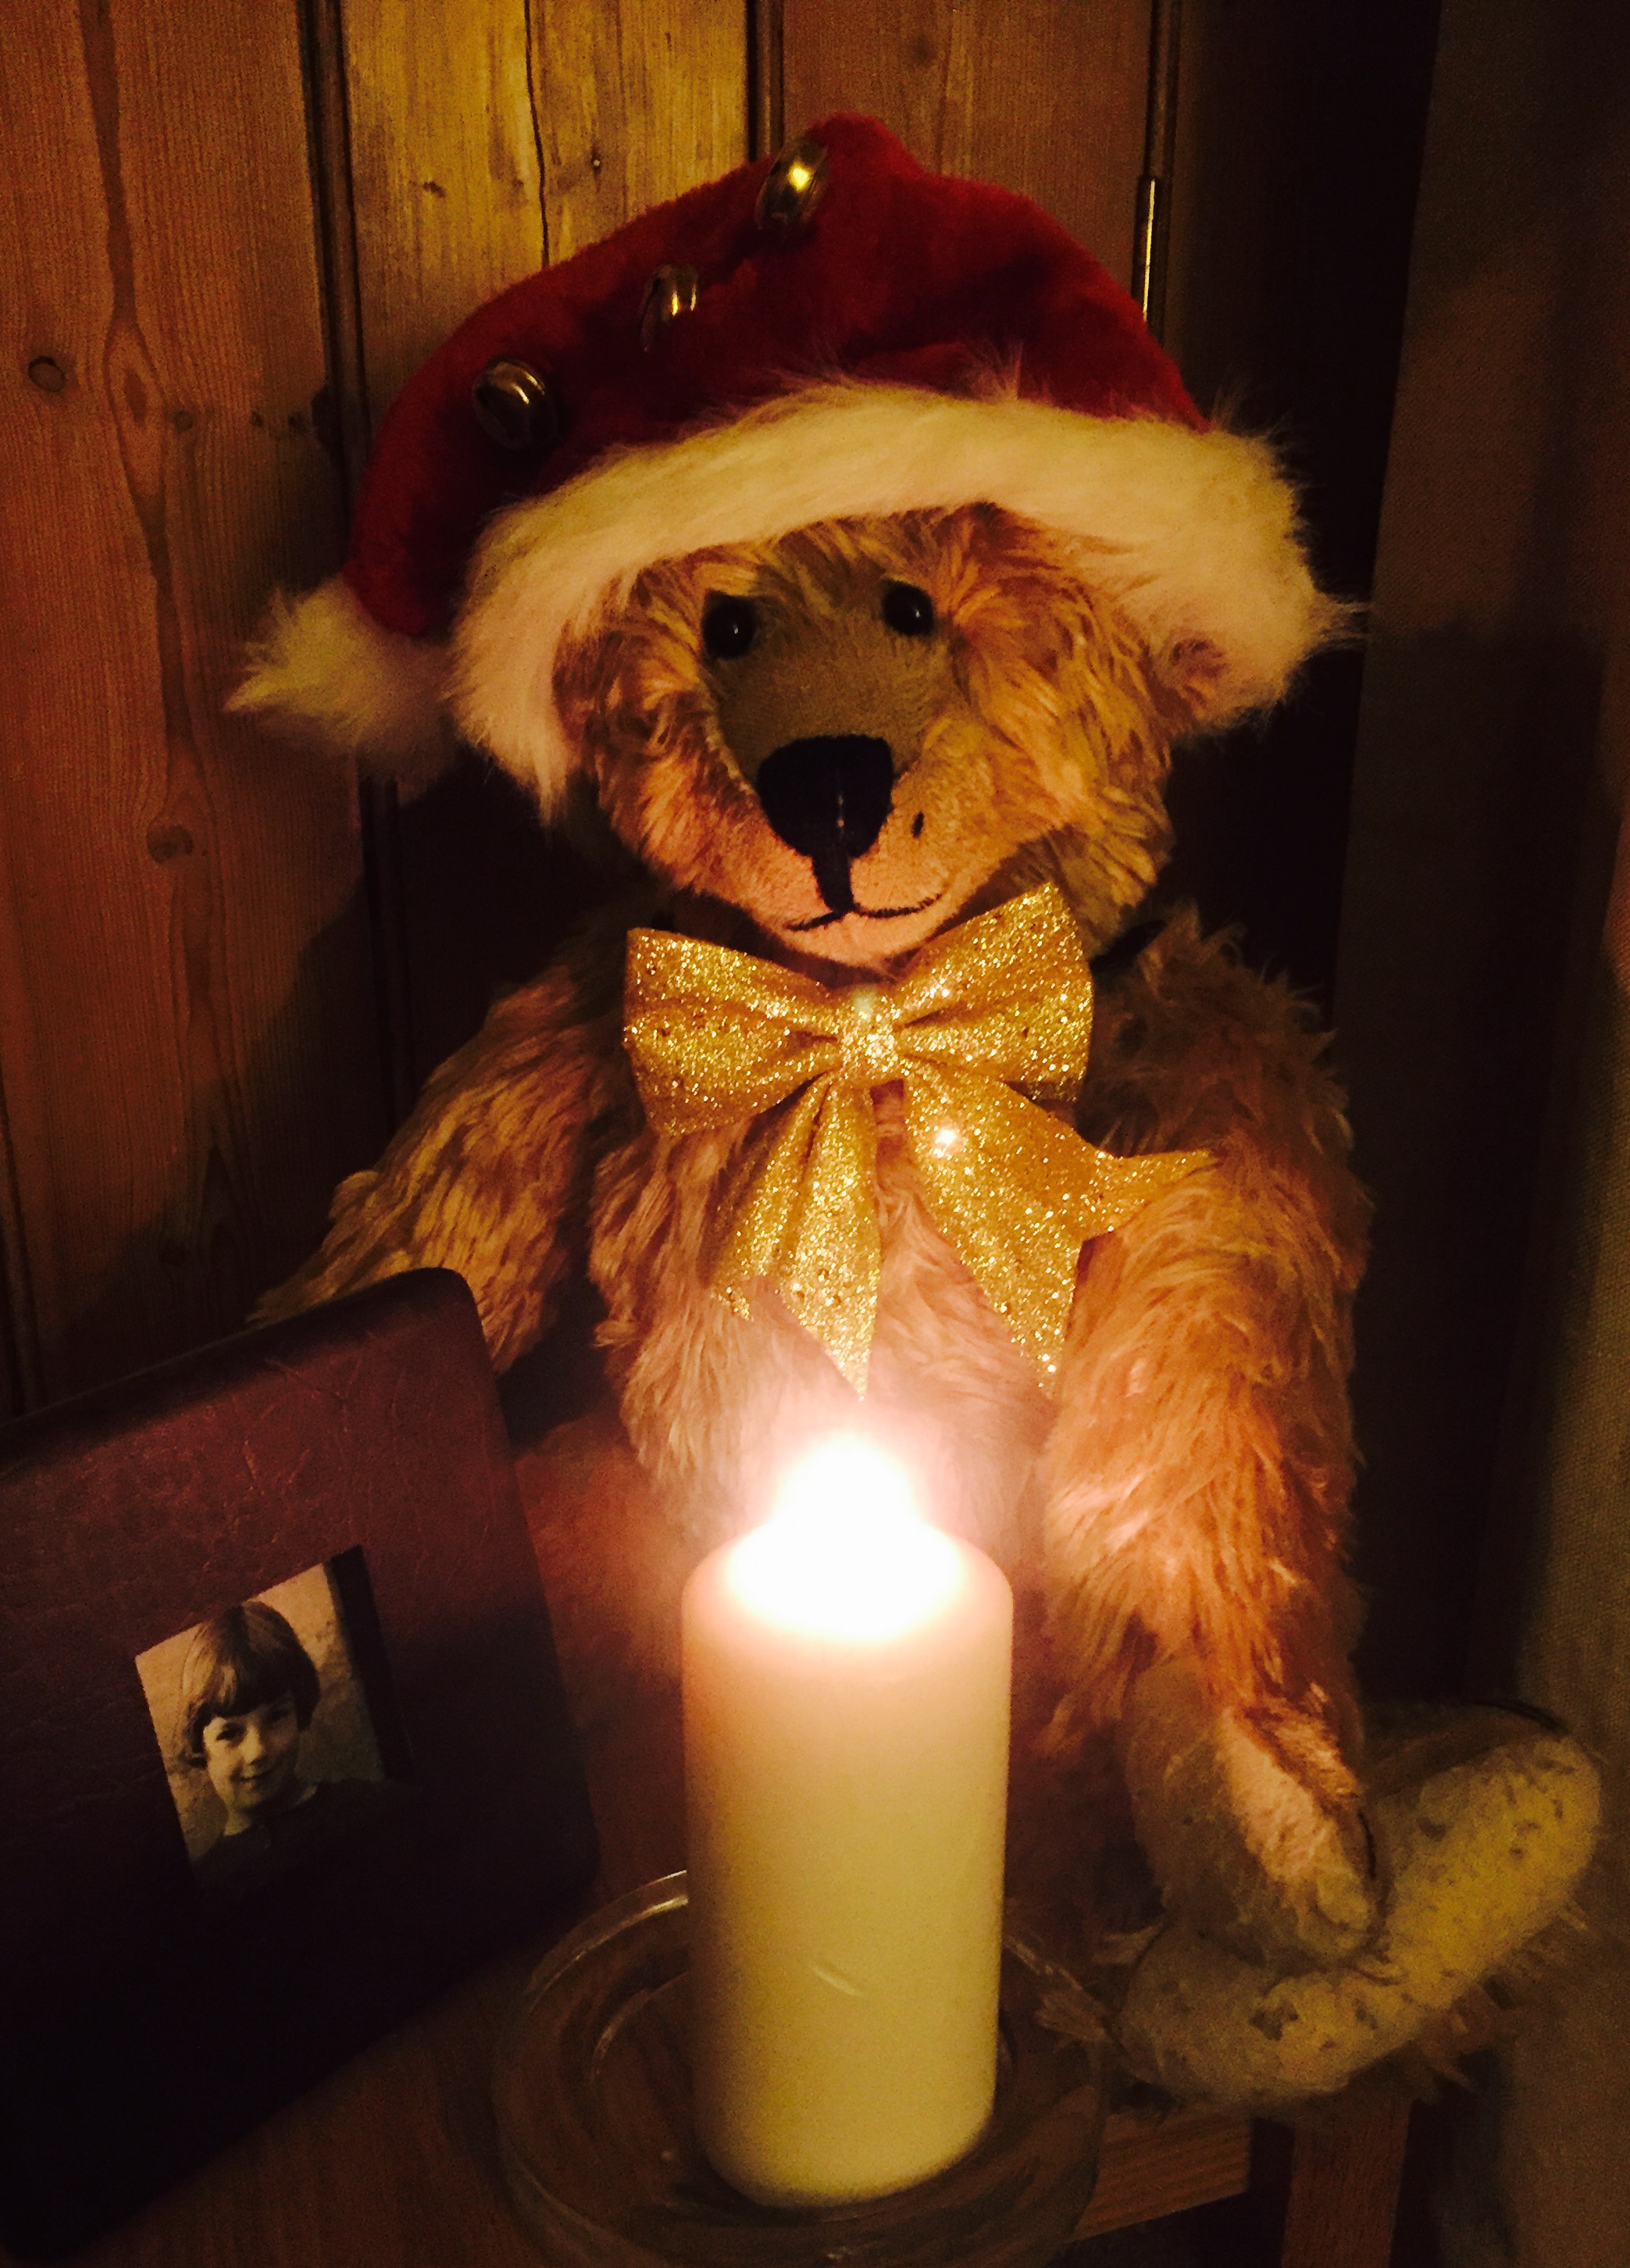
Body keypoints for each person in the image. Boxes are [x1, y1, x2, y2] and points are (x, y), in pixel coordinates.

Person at [176, 1599, 389, 1899]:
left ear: (299, 1711)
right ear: (200, 1744)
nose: (258, 1752)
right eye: (230, 1733)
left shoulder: (365, 1807)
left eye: (276, 1717)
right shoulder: (208, 1884)